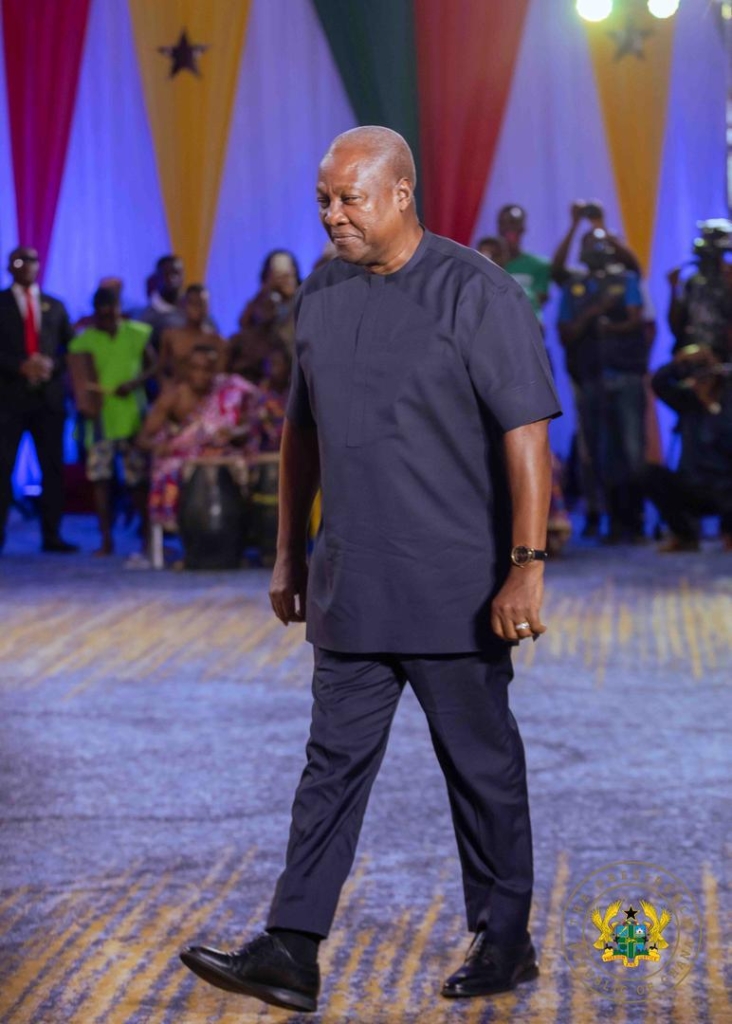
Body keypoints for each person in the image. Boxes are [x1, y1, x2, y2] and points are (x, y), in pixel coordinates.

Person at [180, 126, 560, 1013]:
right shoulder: (320, 293)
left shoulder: (477, 291)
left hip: (457, 585)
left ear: (400, 194)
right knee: (330, 770)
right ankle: (292, 946)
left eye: (349, 198)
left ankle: (504, 939)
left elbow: (527, 433)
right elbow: (299, 432)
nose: (332, 214)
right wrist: (288, 551)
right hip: (350, 579)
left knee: (480, 769)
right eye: (323, 199)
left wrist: (527, 564)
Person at [558, 229, 649, 543]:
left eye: (602, 245)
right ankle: (608, 521)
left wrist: (611, 325)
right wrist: (595, 311)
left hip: (625, 373)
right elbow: (566, 333)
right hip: (590, 377)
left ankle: (636, 523)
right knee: (600, 453)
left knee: (632, 452)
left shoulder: (626, 279)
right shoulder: (574, 285)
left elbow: (637, 319)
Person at [0, 246, 77, 553]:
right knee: (3, 467)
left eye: (32, 260)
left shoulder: (54, 305)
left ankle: (52, 534)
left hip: (48, 399)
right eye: (20, 260)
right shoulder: (1, 304)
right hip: (9, 400)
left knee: (52, 468)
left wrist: (50, 365)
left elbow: (70, 347)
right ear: (9, 267)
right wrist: (19, 365)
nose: (27, 265)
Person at [69, 287, 155, 555]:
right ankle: (106, 539)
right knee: (101, 481)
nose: (108, 315)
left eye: (112, 309)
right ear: (95, 311)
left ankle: (147, 537)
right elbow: (75, 378)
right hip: (100, 421)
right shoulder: (83, 340)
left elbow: (154, 364)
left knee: (137, 481)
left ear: (120, 308)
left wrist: (134, 383)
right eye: (102, 311)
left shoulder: (137, 332)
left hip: (132, 417)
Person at [139, 345, 260, 532]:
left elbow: (247, 429)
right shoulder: (173, 396)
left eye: (207, 369)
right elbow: (143, 439)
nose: (202, 375)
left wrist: (233, 433)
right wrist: (160, 447)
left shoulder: (229, 392)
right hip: (185, 467)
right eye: (195, 368)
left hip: (224, 461)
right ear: (186, 370)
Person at [644, 345, 732, 552]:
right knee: (650, 474)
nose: (701, 382)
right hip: (695, 485)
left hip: (726, 487)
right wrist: (679, 362)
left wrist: (714, 365)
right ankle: (685, 536)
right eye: (697, 377)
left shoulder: (728, 404)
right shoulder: (687, 403)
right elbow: (658, 383)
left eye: (706, 376)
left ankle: (729, 533)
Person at [228, 250, 301, 383]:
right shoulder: (262, 301)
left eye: (287, 274)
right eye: (277, 275)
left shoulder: (305, 300)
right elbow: (244, 323)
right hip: (260, 368)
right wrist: (267, 288)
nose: (283, 280)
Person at [667, 220, 732, 360]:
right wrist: (673, 289)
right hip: (692, 352)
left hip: (723, 356)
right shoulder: (692, 283)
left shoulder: (728, 281)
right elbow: (676, 327)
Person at [158, 284, 227, 387]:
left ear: (208, 307)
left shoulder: (218, 342)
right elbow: (160, 369)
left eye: (201, 304)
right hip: (177, 392)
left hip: (207, 395)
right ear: (184, 305)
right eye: (193, 303)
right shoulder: (170, 336)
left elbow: (220, 377)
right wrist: (166, 385)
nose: (197, 308)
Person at [496, 205, 551, 323]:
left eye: (514, 223)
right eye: (504, 223)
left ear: (523, 227)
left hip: (526, 326)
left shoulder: (539, 264)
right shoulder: (486, 263)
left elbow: (538, 302)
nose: (510, 228)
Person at [254, 348, 291, 453]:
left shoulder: (294, 392)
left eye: (278, 364)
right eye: (270, 365)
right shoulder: (260, 394)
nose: (273, 369)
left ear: (288, 366)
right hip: (266, 450)